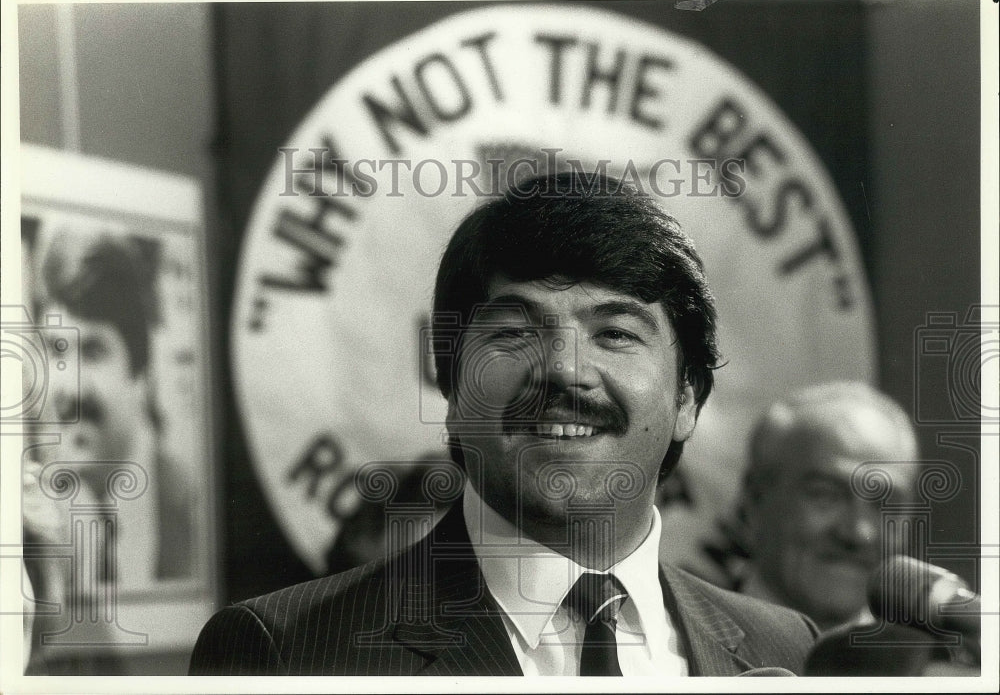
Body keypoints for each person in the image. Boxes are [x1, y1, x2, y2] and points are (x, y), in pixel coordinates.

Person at [190, 172, 817, 676]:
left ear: (687, 398)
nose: (566, 371)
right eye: (515, 332)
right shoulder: (285, 653)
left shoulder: (785, 650)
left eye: (615, 333)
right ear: (452, 383)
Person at [34, 227, 193, 585]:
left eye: (92, 352)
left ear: (138, 366)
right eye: (56, 350)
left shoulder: (187, 503)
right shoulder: (24, 507)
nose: (69, 388)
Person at [734, 381, 920, 632]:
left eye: (885, 504)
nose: (859, 533)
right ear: (754, 501)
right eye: (826, 495)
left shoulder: (935, 668)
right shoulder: (678, 654)